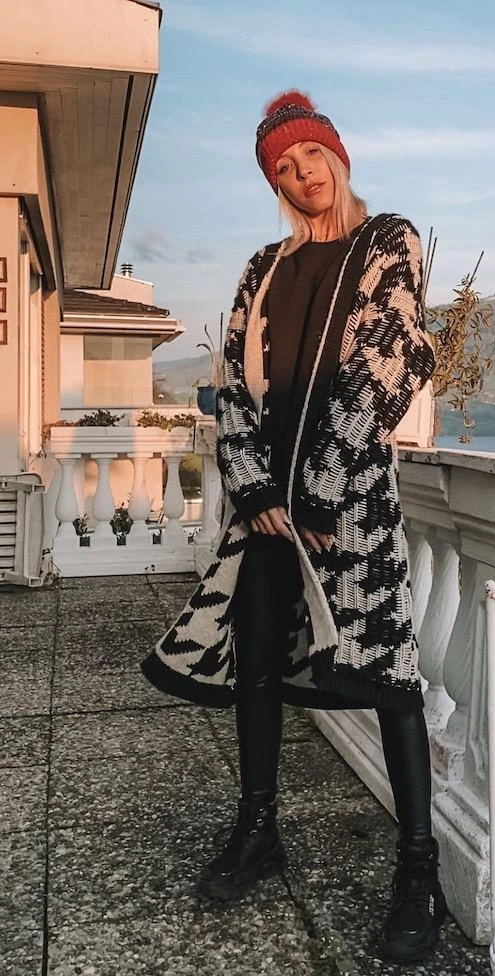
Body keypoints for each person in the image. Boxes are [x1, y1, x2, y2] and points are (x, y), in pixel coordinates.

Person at [141, 90, 446, 963]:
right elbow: (231, 389)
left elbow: (381, 364)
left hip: (347, 506)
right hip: (266, 510)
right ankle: (258, 829)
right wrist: (251, 488)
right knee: (258, 665)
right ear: (274, 182)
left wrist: (318, 493)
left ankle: (417, 871)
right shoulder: (262, 268)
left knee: (390, 678)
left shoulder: (387, 242)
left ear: (337, 156)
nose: (302, 173)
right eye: (283, 166)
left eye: (311, 155)